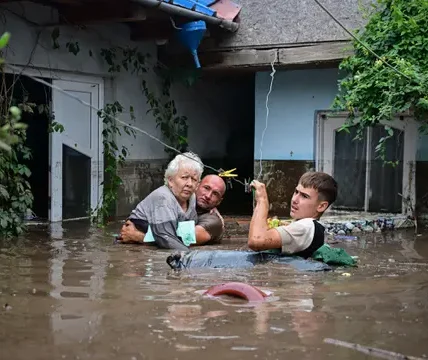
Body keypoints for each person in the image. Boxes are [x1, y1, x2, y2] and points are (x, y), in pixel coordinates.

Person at [118, 152, 204, 251]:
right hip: (134, 248)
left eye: (194, 179)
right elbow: (166, 239)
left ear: (198, 184)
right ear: (170, 180)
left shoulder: (192, 198)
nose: (189, 184)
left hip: (148, 241)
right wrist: (192, 258)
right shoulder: (163, 197)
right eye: (184, 177)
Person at [119, 172, 226, 247]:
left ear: (219, 201)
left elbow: (181, 240)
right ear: (197, 186)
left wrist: (138, 236)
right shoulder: (180, 199)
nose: (208, 195)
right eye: (206, 188)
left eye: (215, 194)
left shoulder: (213, 221)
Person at [248, 171, 338, 258]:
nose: (295, 199)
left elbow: (256, 241)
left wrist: (262, 200)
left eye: (304, 196)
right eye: (296, 192)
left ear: (321, 206)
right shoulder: (311, 227)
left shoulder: (306, 226)